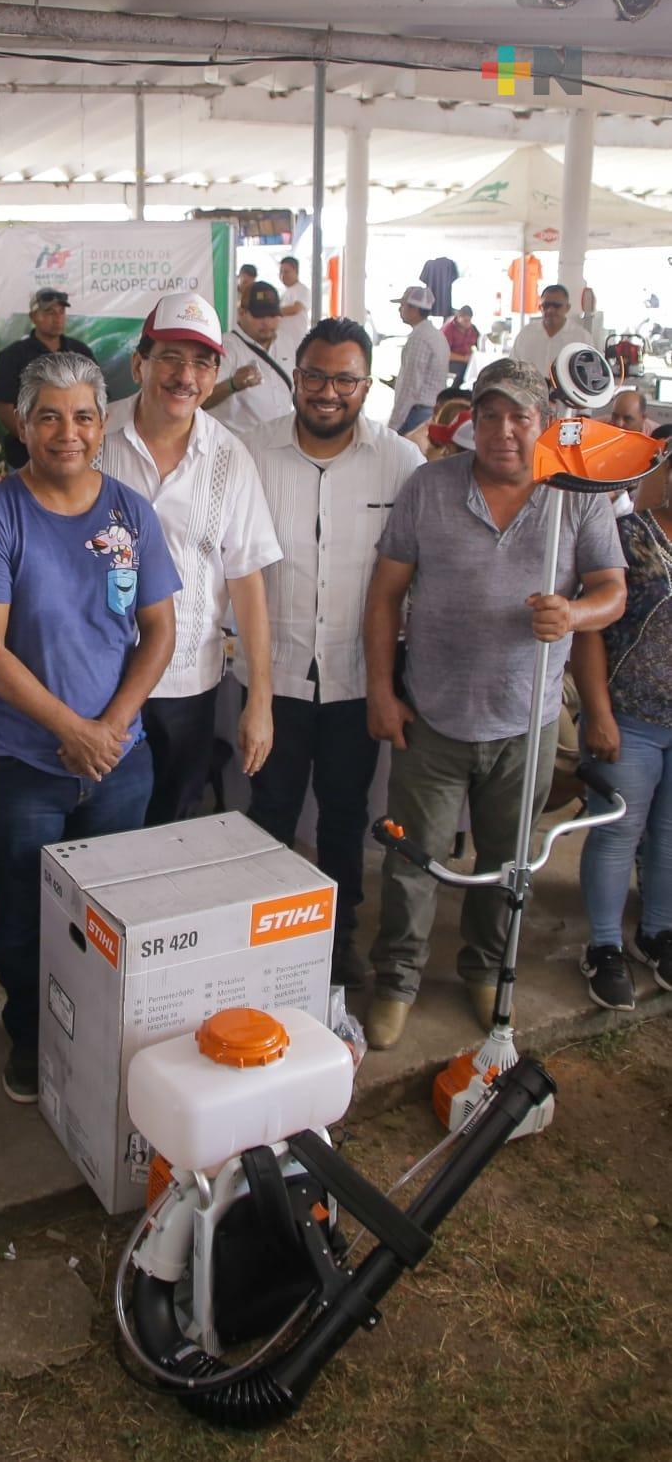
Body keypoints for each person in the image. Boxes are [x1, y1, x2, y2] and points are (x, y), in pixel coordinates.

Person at [363, 359, 627, 1049]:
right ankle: (396, 979)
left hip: (526, 724)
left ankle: (485, 969)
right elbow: (385, 593)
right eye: (488, 415)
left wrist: (571, 615)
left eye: (518, 416)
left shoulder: (577, 495)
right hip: (431, 717)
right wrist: (382, 692)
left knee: (504, 864)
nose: (502, 430)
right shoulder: (429, 486)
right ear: (469, 421)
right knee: (412, 863)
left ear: (541, 422)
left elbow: (612, 591)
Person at [0, 351, 180, 1103]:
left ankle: (104, 1032)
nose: (66, 432)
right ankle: (29, 1036)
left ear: (102, 422)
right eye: (48, 416)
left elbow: (158, 632)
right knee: (25, 911)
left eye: (82, 415)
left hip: (119, 758)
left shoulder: (129, 512)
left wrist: (109, 727)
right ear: (23, 423)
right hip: (24, 765)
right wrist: (69, 730)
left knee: (114, 913)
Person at [240, 319, 424, 985]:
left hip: (358, 679)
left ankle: (337, 940)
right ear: (295, 375)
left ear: (366, 386)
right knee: (270, 815)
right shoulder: (250, 453)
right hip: (273, 674)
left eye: (344, 379)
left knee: (345, 819)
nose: (326, 392)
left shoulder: (400, 463)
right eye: (314, 375)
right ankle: (264, 946)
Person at [100, 292, 280, 824]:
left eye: (203, 362)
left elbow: (247, 583)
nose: (187, 376)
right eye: (171, 358)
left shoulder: (230, 458)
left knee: (171, 824)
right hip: (96, 678)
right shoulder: (91, 437)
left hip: (187, 684)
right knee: (100, 829)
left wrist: (260, 700)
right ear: (140, 364)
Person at [573, 492, 672, 1011]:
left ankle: (657, 933)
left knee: (669, 836)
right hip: (627, 718)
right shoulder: (630, 536)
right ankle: (605, 945)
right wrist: (599, 714)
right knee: (616, 833)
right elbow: (590, 628)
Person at [0, 289, 95, 470]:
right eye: (49, 312)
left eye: (61, 312)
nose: (57, 317)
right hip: (24, 458)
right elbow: (4, 407)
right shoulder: (13, 355)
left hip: (74, 455)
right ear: (33, 317)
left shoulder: (81, 352)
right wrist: (34, 439)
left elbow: (99, 400)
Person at [207, 281, 296, 434]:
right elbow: (202, 399)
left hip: (280, 441)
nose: (267, 322)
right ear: (242, 313)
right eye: (259, 316)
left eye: (273, 315)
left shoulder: (287, 343)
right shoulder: (225, 347)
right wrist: (232, 385)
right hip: (239, 444)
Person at [388, 286, 449, 434]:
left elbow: (411, 386)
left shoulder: (419, 338)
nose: (399, 310)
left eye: (402, 306)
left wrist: (393, 425)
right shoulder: (435, 334)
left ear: (414, 309)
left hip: (416, 412)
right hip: (428, 409)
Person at [511, 283, 587, 379]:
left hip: (566, 393)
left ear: (567, 308)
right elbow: (512, 367)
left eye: (556, 306)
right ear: (540, 307)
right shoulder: (526, 334)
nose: (550, 310)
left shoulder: (581, 338)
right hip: (529, 392)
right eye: (546, 305)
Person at [443, 305, 479, 388]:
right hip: (450, 361)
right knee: (464, 369)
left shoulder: (472, 329)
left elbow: (478, 344)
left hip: (466, 359)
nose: (467, 323)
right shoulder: (448, 329)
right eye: (465, 320)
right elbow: (444, 354)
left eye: (469, 320)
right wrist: (464, 358)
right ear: (459, 317)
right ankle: (454, 392)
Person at [277, 256, 310, 325]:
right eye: (281, 272)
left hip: (296, 335)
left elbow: (295, 309)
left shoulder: (302, 289)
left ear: (296, 271)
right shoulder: (285, 292)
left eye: (286, 272)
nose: (283, 276)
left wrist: (270, 312)